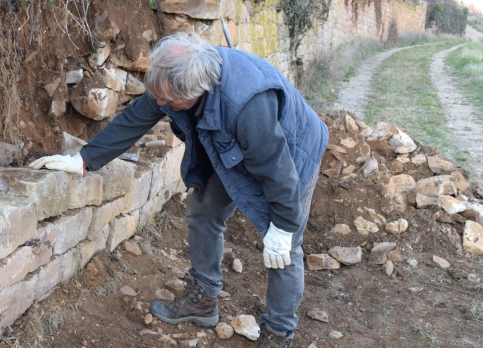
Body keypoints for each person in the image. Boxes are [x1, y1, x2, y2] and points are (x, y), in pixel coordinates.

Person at [29, 32, 328, 348]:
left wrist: (283, 226)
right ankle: (203, 299)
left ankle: (279, 333)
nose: (160, 104)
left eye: (168, 101)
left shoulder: (248, 106)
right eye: (158, 95)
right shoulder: (177, 76)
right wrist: (84, 160)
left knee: (284, 246)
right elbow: (135, 119)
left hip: (292, 155)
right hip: (231, 144)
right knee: (204, 211)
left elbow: (279, 173)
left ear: (196, 92)